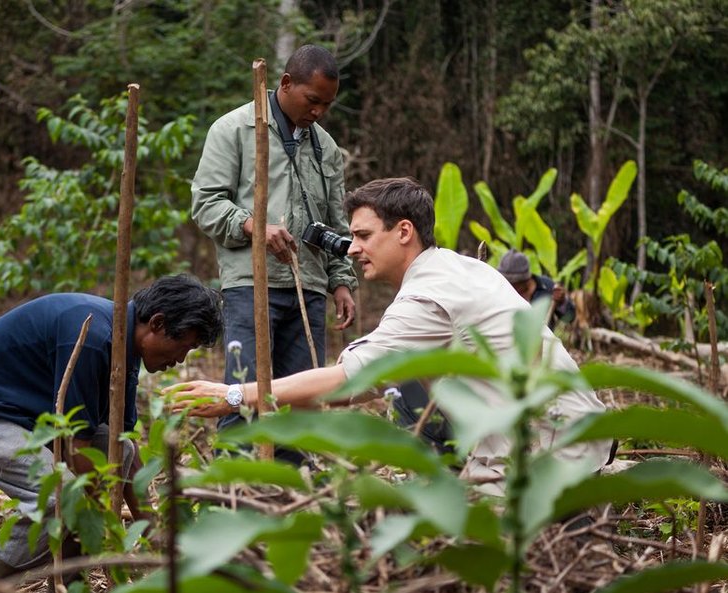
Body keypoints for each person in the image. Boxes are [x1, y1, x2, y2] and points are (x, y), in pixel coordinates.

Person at [171, 178, 611, 492]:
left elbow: (350, 383)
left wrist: (233, 395)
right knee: (408, 389)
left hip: (550, 451)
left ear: (404, 231)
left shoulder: (426, 295)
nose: (353, 248)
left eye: (363, 235)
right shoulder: (459, 268)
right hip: (575, 432)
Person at [0, 275, 222, 579]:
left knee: (121, 453)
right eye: (183, 346)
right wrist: (104, 529)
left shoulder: (124, 347)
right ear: (156, 323)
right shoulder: (94, 335)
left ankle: (69, 579)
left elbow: (120, 443)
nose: (180, 359)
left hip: (20, 412)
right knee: (61, 497)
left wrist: (151, 529)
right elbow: (78, 448)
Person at [191, 44, 358, 452]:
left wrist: (342, 282)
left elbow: (337, 221)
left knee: (304, 400)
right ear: (285, 83)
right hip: (251, 285)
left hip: (310, 288)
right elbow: (205, 204)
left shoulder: (328, 148)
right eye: (312, 100)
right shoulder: (233, 129)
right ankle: (233, 493)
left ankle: (291, 495)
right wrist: (254, 226)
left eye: (327, 104)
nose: (319, 111)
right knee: (243, 395)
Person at [497, 249, 576, 327]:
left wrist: (562, 302)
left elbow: (570, 317)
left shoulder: (547, 287)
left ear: (526, 280)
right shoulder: (499, 291)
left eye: (514, 284)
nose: (509, 286)